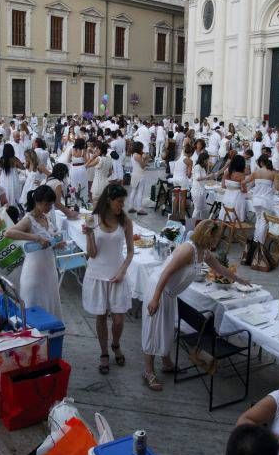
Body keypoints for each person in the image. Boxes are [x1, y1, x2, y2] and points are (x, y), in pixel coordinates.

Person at [142, 220, 251, 391]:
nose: (217, 240)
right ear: (208, 235)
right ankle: (148, 371)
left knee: (168, 328)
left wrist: (240, 280)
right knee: (153, 329)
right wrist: (155, 298)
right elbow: (166, 273)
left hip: (170, 293)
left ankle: (166, 362)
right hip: (159, 289)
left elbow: (220, 269)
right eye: (216, 237)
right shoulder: (188, 250)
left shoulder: (204, 252)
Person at [83, 184, 134, 374]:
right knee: (101, 316)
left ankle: (116, 343)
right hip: (97, 274)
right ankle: (104, 352)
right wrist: (89, 236)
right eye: (119, 202)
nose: (121, 205)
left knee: (119, 319)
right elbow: (92, 254)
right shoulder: (93, 219)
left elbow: (130, 252)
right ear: (108, 200)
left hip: (117, 274)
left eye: (123, 202)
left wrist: (122, 271)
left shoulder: (125, 222)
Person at [5, 185, 66, 318]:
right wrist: (35, 237)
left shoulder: (46, 218)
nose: (49, 207)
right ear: (37, 202)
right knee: (34, 304)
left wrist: (56, 244)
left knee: (50, 301)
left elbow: (49, 241)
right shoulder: (28, 220)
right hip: (34, 271)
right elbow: (9, 233)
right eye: (46, 204)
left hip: (49, 269)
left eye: (51, 204)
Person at [246, 156, 279, 244]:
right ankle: (259, 242)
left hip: (256, 199)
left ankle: (256, 239)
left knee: (258, 219)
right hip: (266, 200)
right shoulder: (273, 173)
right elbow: (277, 187)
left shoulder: (256, 172)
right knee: (264, 221)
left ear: (261, 163)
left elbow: (245, 181)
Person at [221, 155, 248, 222]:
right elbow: (244, 190)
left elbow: (223, 186)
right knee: (234, 220)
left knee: (226, 217)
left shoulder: (227, 172)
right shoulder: (241, 175)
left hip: (227, 198)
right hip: (236, 199)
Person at [128, 141, 149, 215]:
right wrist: (146, 159)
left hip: (134, 174)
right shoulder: (138, 156)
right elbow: (143, 166)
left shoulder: (133, 154)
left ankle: (131, 207)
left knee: (133, 191)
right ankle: (139, 208)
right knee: (140, 192)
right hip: (140, 175)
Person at [191, 151, 213, 220]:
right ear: (203, 160)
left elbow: (205, 176)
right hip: (197, 191)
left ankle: (203, 224)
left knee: (204, 209)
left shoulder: (202, 167)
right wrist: (207, 176)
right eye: (206, 160)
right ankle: (191, 225)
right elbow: (198, 178)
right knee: (197, 209)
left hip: (201, 190)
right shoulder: (197, 167)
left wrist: (208, 168)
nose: (207, 162)